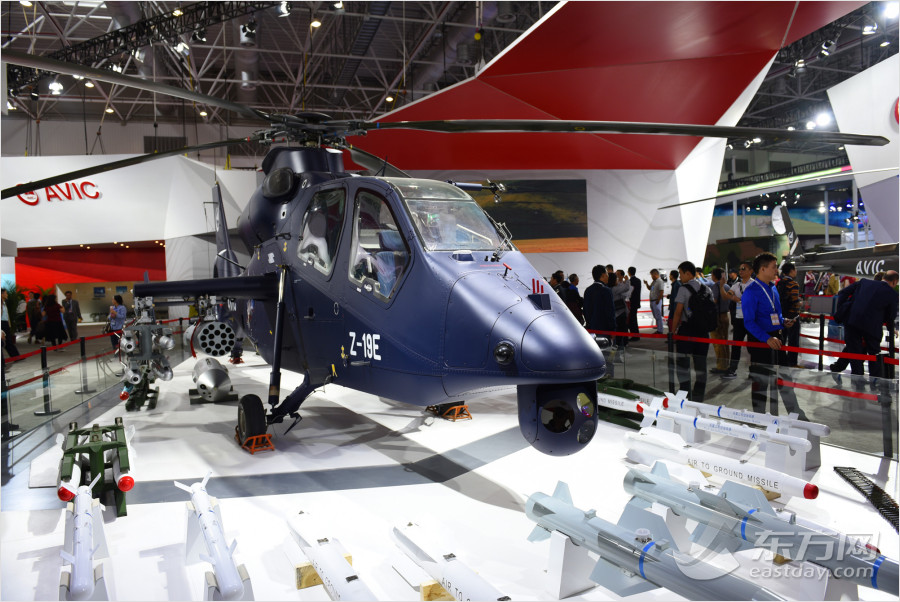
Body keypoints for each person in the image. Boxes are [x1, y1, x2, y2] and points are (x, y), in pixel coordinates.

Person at [741, 252, 807, 419]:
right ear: (762, 269)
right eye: (773, 267)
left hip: (778, 339)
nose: (776, 270)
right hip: (761, 342)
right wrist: (767, 338)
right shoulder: (750, 292)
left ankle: (795, 414)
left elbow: (776, 314)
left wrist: (783, 321)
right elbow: (749, 322)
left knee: (785, 379)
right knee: (761, 382)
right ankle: (759, 418)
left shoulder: (773, 288)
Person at [829, 271, 899, 387]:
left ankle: (855, 378)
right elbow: (890, 316)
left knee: (854, 349)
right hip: (872, 327)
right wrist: (889, 328)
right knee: (873, 352)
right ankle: (873, 381)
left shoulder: (864, 282)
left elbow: (843, 292)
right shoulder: (892, 294)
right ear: (895, 281)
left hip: (853, 321)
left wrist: (844, 309)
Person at [669, 261, 712, 402]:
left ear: (688, 273)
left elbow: (678, 312)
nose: (680, 277)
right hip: (703, 332)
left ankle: (684, 393)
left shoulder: (683, 289)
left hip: (687, 330)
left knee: (683, 363)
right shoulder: (707, 289)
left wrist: (672, 331)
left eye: (681, 273)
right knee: (701, 365)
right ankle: (699, 395)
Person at [722, 261, 752, 379]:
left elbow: (751, 300)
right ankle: (732, 369)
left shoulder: (754, 285)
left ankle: (754, 371)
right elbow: (728, 295)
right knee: (735, 346)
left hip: (751, 320)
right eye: (740, 269)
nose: (740, 271)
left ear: (751, 271)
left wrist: (737, 298)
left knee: (752, 347)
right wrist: (722, 287)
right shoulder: (736, 285)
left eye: (743, 269)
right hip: (739, 320)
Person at [776, 263, 802, 367]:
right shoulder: (793, 284)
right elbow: (794, 300)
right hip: (792, 316)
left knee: (782, 338)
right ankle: (792, 362)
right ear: (791, 271)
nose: (796, 271)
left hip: (782, 315)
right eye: (795, 269)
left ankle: (782, 360)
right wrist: (800, 303)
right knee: (793, 340)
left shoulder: (779, 283)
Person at [708, 267, 732, 374]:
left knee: (718, 342)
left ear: (714, 276)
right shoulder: (727, 286)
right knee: (725, 341)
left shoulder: (715, 286)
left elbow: (714, 301)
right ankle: (726, 364)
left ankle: (721, 366)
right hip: (725, 315)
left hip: (717, 317)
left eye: (712, 274)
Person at [583, 265, 616, 334]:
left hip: (591, 328)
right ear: (603, 275)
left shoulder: (588, 290)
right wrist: (612, 329)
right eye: (607, 274)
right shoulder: (606, 290)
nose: (608, 276)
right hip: (605, 329)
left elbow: (585, 310)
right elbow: (610, 311)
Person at [611, 270, 632, 350]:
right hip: (619, 312)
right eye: (616, 277)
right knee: (621, 332)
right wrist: (627, 280)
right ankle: (620, 349)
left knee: (621, 331)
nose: (618, 278)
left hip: (618, 312)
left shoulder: (613, 288)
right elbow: (626, 288)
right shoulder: (615, 288)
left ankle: (622, 346)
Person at [1, 291, 20, 359]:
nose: (7, 295)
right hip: (2, 323)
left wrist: (9, 324)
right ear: (1, 294)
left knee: (8, 341)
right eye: (5, 293)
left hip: (5, 323)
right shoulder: (1, 304)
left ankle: (15, 356)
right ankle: (15, 356)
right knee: (7, 340)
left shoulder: (4, 303)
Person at [644, 269, 664, 334]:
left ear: (655, 274)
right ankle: (659, 329)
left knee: (658, 316)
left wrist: (658, 300)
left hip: (656, 301)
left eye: (651, 275)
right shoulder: (654, 282)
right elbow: (650, 288)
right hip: (653, 301)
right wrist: (646, 284)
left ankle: (660, 330)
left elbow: (661, 291)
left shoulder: (660, 281)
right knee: (656, 316)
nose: (651, 276)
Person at [627, 267, 641, 340]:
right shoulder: (638, 280)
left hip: (631, 303)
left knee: (632, 320)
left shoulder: (630, 281)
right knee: (634, 319)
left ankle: (635, 335)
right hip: (636, 302)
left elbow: (629, 293)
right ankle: (636, 334)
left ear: (629, 272)